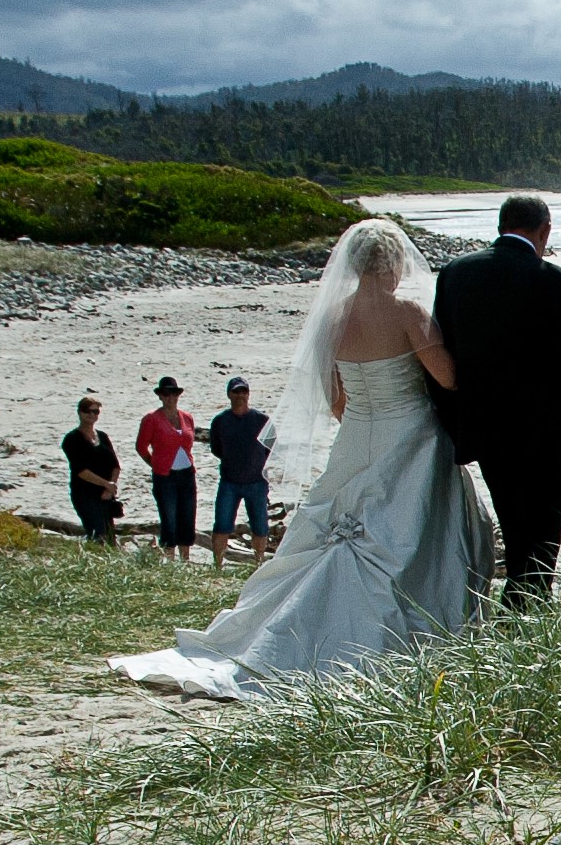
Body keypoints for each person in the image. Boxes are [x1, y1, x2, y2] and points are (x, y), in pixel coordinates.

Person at [112, 218, 493, 699]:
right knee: (415, 532)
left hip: (357, 433)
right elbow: (449, 378)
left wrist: (363, 417)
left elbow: (334, 398)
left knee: (338, 529)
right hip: (412, 433)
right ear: (395, 264)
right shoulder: (407, 313)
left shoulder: (334, 319)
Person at [429, 193, 561, 606]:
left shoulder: (455, 274)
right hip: (545, 431)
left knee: (514, 523)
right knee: (544, 535)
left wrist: (455, 422)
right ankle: (524, 611)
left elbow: (442, 356)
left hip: (486, 428)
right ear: (545, 229)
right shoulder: (557, 282)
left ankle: (521, 605)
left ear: (501, 226)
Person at [205, 375, 273, 567]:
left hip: (256, 482)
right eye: (236, 391)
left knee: (260, 526)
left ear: (248, 394)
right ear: (229, 394)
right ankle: (217, 564)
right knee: (222, 524)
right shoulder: (220, 421)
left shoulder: (262, 420)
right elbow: (216, 449)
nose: (240, 395)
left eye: (243, 391)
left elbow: (270, 448)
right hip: (229, 481)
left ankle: (258, 563)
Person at [136, 378, 201, 561]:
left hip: (187, 473)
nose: (170, 398)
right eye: (166, 394)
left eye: (173, 394)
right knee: (169, 517)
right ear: (160, 396)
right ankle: (171, 560)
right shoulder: (152, 419)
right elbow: (141, 447)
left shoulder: (186, 417)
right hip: (165, 476)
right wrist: (156, 464)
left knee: (188, 516)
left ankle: (185, 560)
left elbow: (189, 442)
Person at [63, 394, 121, 541]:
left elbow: (115, 465)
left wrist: (111, 487)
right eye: (87, 411)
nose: (91, 414)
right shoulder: (72, 439)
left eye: (95, 412)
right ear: (79, 412)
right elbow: (81, 470)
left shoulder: (103, 436)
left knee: (110, 537)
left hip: (106, 495)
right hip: (85, 494)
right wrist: (106, 484)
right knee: (97, 534)